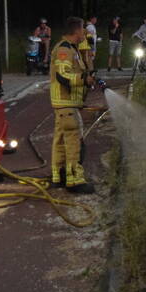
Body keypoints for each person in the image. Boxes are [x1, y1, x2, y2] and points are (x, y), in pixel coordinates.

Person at [50, 17, 95, 194]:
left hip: (65, 105)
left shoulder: (72, 49)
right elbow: (62, 75)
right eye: (83, 29)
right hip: (66, 104)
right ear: (76, 30)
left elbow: (83, 67)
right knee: (74, 143)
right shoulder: (64, 49)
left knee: (61, 141)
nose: (85, 32)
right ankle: (75, 180)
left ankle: (59, 176)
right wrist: (83, 79)